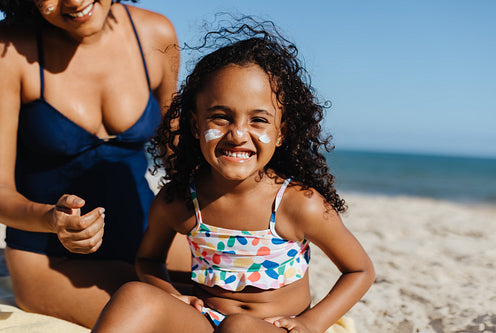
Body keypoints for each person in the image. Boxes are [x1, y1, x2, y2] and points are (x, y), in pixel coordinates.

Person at [91, 17, 375, 333]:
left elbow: (359, 270)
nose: (238, 134)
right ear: (195, 124)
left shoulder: (297, 204)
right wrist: (172, 295)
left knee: (239, 327)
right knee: (133, 295)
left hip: (273, 328)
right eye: (221, 117)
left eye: (258, 120)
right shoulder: (180, 201)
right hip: (205, 321)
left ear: (281, 132)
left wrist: (311, 322)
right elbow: (147, 260)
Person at [0, 0, 190, 328]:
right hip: (49, 257)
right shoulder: (10, 52)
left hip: (148, 235)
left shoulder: (156, 34)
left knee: (239, 301)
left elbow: (177, 153)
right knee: (174, 320)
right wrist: (50, 220)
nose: (73, 1)